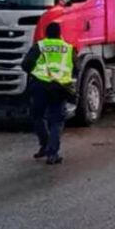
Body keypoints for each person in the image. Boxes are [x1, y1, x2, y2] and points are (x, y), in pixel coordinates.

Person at [27, 22, 74, 165]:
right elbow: (76, 68)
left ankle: (44, 144)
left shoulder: (39, 46)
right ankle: (52, 154)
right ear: (60, 34)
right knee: (56, 121)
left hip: (40, 86)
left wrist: (36, 73)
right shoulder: (68, 48)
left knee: (37, 116)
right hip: (59, 88)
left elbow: (26, 64)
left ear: (46, 34)